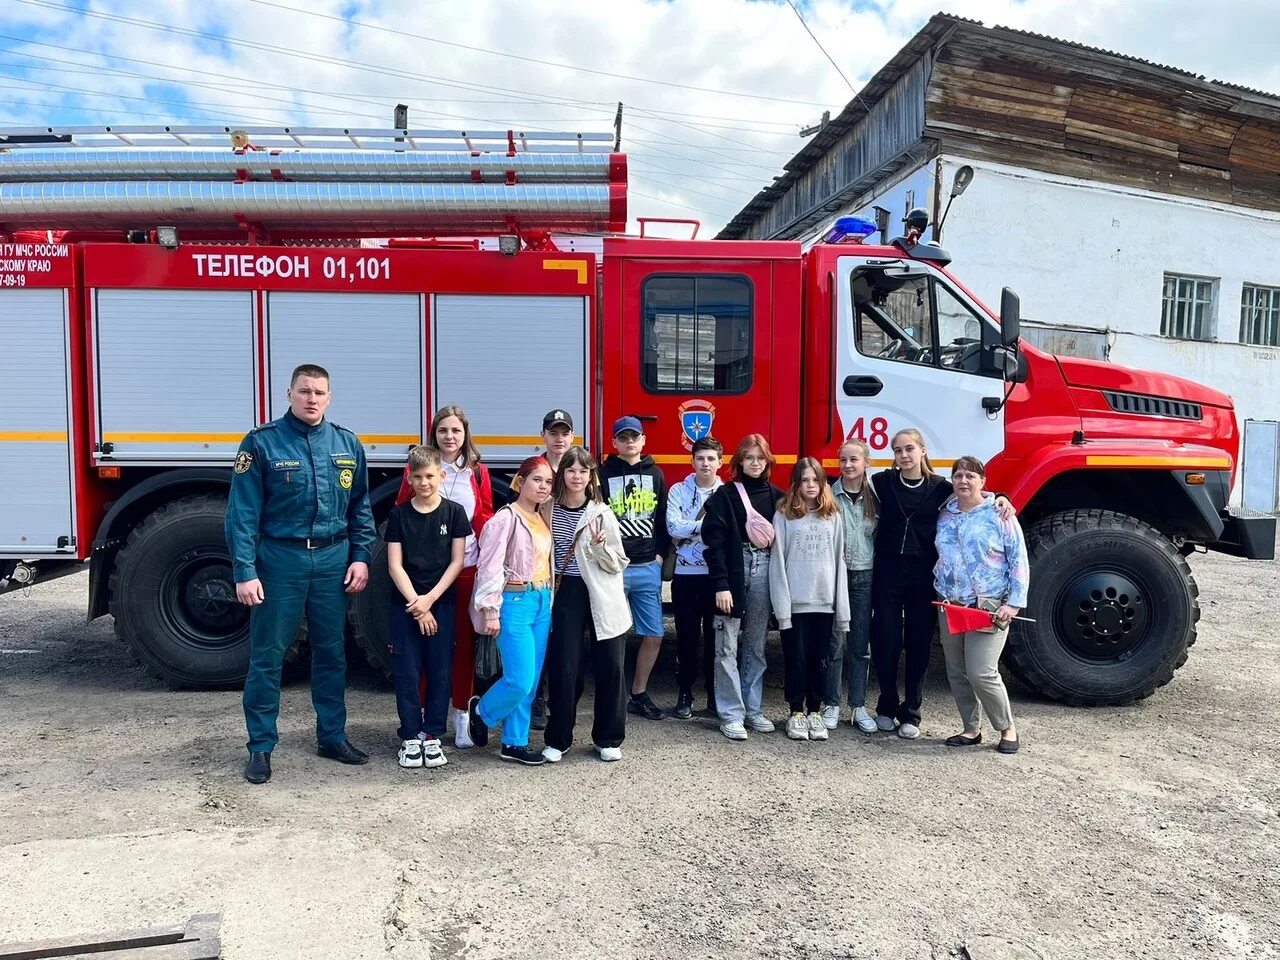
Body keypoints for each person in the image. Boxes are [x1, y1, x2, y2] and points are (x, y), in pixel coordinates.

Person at [226, 363, 375, 785]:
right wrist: (244, 570)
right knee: (268, 656)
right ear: (289, 393)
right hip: (280, 562)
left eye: (320, 392)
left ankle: (332, 735)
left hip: (333, 560)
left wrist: (361, 556)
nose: (312, 399)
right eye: (304, 391)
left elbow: (360, 506)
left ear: (329, 397)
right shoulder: (262, 444)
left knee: (332, 653)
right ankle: (260, 747)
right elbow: (242, 514)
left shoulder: (347, 443)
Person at [870, 428, 1014, 740]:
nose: (904, 455)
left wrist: (1002, 498)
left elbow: (975, 495)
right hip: (888, 572)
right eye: (898, 451)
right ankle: (886, 706)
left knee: (919, 644)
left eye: (910, 449)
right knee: (887, 641)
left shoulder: (941, 489)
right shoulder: (881, 482)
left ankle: (911, 713)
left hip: (923, 576)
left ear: (922, 451)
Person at [394, 405, 495, 749]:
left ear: (466, 434)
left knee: (463, 647)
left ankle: (461, 716)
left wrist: (491, 566)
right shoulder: (419, 469)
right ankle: (424, 720)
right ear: (433, 434)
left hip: (464, 570)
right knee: (424, 648)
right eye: (442, 431)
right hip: (422, 580)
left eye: (455, 430)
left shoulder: (477, 473)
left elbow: (484, 518)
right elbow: (403, 516)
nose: (449, 437)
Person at [541, 446, 632, 763]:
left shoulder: (602, 513)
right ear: (561, 474)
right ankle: (558, 738)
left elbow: (618, 563)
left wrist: (600, 548)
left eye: (583, 470)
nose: (577, 476)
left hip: (602, 593)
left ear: (591, 475)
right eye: (571, 470)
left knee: (611, 665)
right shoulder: (546, 509)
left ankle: (608, 737)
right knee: (564, 666)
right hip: (564, 591)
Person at [934, 456, 1029, 755]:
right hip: (950, 604)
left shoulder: (1000, 515)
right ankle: (970, 728)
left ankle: (1006, 727)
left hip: (987, 606)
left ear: (983, 481)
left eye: (970, 476)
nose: (963, 481)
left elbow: (1018, 561)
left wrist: (1013, 604)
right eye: (958, 475)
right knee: (957, 671)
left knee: (982, 672)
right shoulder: (945, 514)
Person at [385, 445, 471, 769]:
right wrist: (416, 605)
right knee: (407, 671)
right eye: (418, 477)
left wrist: (430, 601)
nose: (424, 483)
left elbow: (457, 561)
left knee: (439, 671)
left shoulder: (454, 513)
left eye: (430, 476)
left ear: (442, 475)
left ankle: (433, 735)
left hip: (442, 604)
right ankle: (410, 736)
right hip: (406, 606)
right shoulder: (398, 515)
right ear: (410, 477)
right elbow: (395, 566)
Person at [466, 456, 555, 766]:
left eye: (547, 482)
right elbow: (488, 566)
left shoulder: (542, 516)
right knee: (519, 678)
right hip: (515, 603)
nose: (543, 486)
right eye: (536, 480)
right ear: (521, 481)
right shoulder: (505, 518)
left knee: (529, 682)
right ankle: (482, 711)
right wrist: (489, 609)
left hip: (542, 601)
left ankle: (514, 743)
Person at [702, 434, 784, 741]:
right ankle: (731, 713)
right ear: (739, 461)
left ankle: (753, 708)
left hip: (765, 569)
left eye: (760, 458)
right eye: (749, 457)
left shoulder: (778, 497)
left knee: (756, 644)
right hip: (733, 573)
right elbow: (714, 544)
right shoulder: (724, 496)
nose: (754, 463)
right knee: (726, 644)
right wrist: (721, 585)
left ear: (767, 462)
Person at [770, 458, 850, 742]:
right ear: (796, 483)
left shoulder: (833, 516)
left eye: (816, 480)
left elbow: (840, 561)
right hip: (795, 602)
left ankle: (814, 710)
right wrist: (782, 606)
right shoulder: (784, 515)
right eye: (805, 480)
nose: (811, 486)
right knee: (796, 658)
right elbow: (777, 562)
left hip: (824, 601)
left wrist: (842, 607)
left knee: (820, 658)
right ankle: (795, 712)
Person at [600, 416, 670, 721]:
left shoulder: (656, 474)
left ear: (643, 441)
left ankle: (638, 694)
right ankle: (610, 693)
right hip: (613, 568)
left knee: (653, 633)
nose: (629, 442)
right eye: (623, 438)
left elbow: (664, 516)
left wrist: (659, 555)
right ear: (614, 443)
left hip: (646, 566)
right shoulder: (602, 475)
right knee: (613, 634)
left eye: (634, 437)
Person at [666, 437, 724, 719]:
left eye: (711, 458)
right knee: (686, 637)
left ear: (720, 462)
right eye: (700, 458)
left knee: (717, 639)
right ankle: (685, 693)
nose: (705, 463)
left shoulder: (727, 493)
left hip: (716, 578)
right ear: (692, 462)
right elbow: (673, 527)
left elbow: (727, 533)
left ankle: (714, 697)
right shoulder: (678, 490)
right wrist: (707, 526)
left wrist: (693, 528)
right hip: (685, 575)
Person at [828, 439, 879, 734]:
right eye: (843, 460)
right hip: (836, 577)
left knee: (860, 645)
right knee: (834, 644)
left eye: (854, 460)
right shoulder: (828, 495)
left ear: (866, 463)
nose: (848, 465)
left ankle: (858, 706)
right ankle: (831, 704)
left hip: (864, 576)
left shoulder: (876, 496)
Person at [530, 408, 575, 730]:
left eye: (564, 433)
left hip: (571, 569)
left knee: (564, 637)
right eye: (553, 433)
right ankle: (535, 699)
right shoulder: (536, 469)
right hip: (540, 566)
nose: (559, 439)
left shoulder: (580, 468)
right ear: (543, 435)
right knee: (539, 635)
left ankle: (556, 697)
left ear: (572, 437)